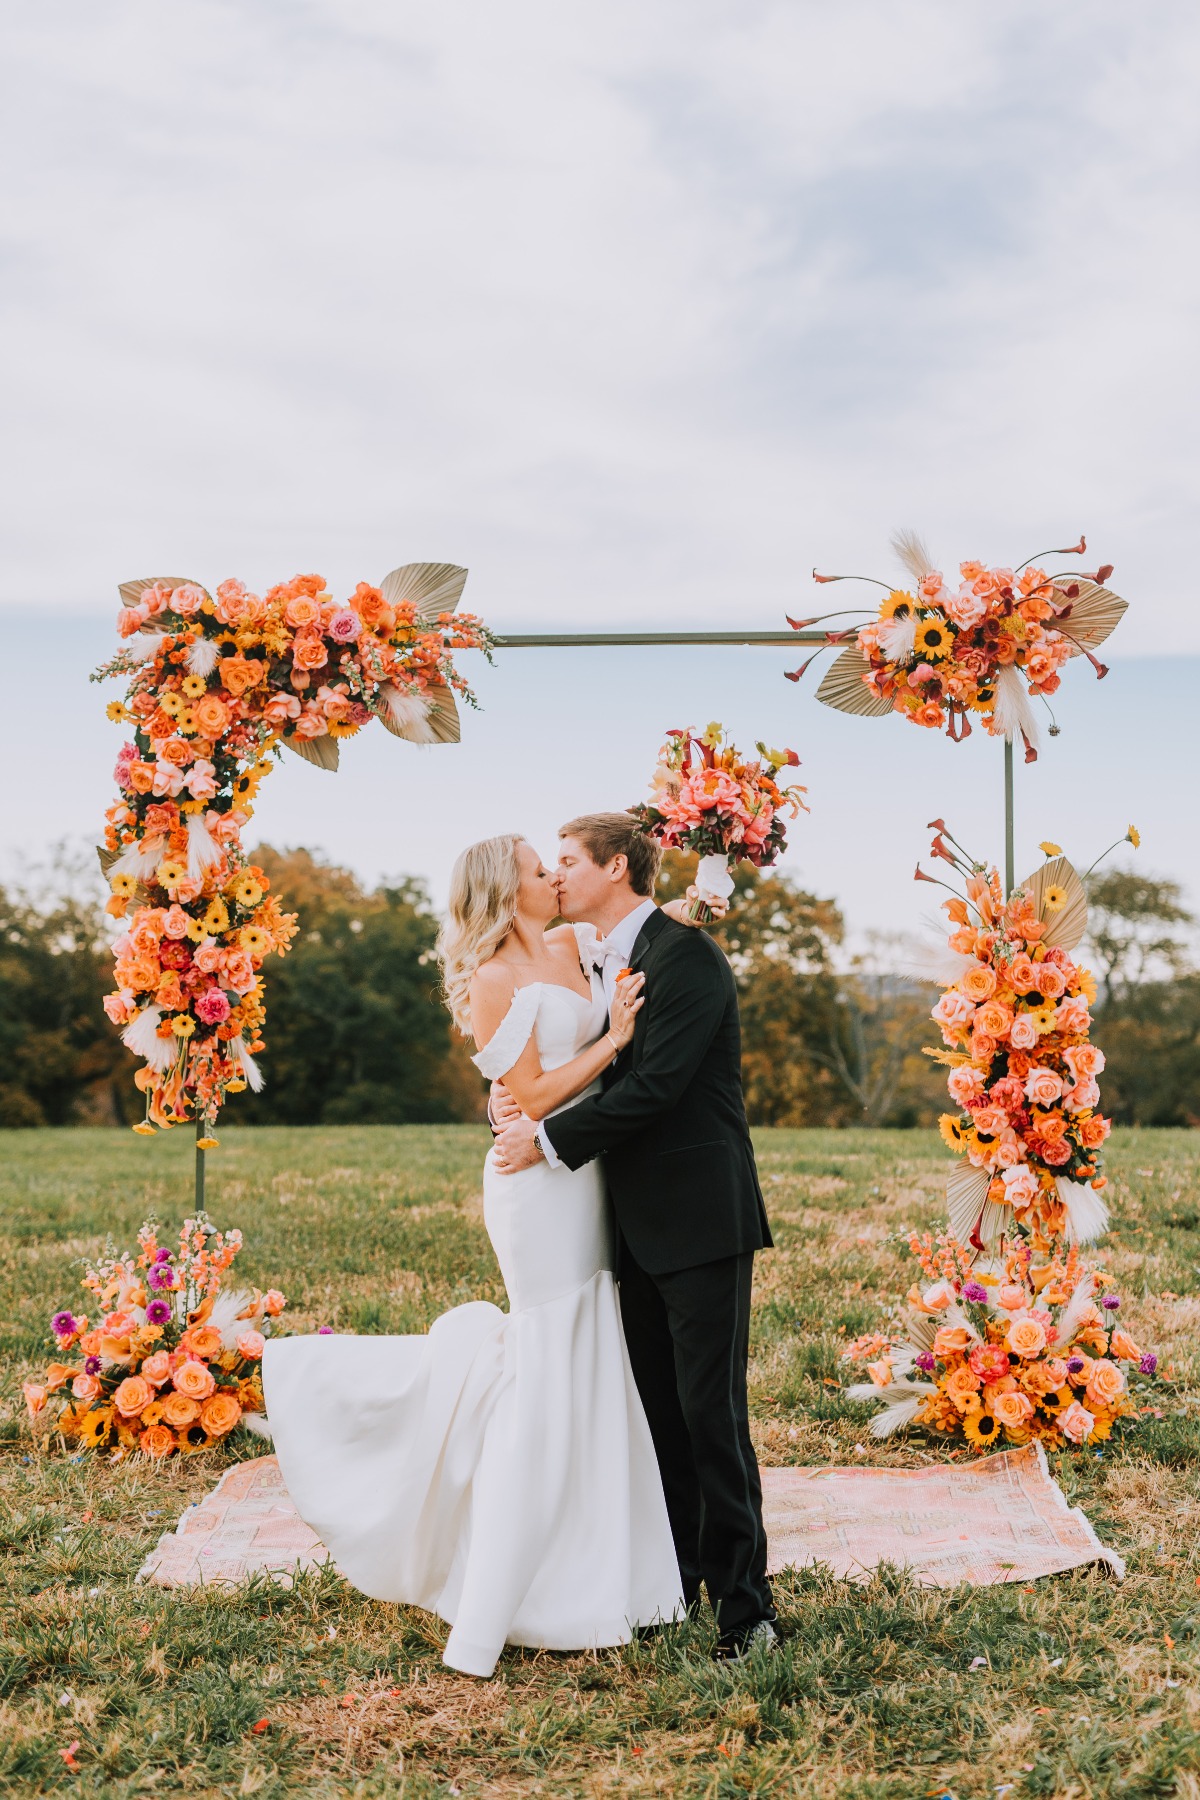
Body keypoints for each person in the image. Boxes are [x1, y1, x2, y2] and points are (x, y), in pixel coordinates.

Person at [262, 833, 710, 1678]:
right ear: (507, 893)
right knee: (548, 1353)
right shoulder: (492, 982)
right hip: (535, 1187)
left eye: (557, 865)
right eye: (541, 872)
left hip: (589, 1175)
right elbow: (531, 1095)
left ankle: (608, 1559)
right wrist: (614, 1042)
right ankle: (509, 1572)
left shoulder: (578, 944)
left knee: (593, 1348)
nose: (554, 877)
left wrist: (694, 898)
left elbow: (650, 928)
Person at [492, 813, 776, 1661]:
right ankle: (675, 1582)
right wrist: (513, 1100)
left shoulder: (685, 959)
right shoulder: (599, 953)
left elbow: (652, 1088)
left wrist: (542, 1142)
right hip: (627, 1223)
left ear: (616, 868)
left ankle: (746, 1611)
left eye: (571, 862)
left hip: (698, 1216)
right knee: (658, 1414)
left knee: (710, 1414)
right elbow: (541, 1051)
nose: (558, 876)